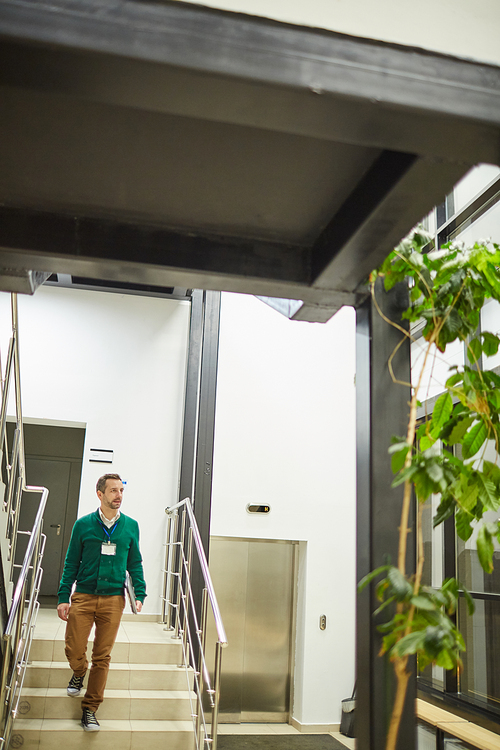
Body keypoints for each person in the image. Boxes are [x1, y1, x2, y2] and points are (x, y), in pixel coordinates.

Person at [57, 473, 146, 732]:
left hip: (113, 600)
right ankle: (78, 671)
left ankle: (90, 709)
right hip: (83, 596)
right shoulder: (83, 525)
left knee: (102, 656)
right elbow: (71, 562)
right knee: (74, 649)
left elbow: (135, 563)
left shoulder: (131, 526)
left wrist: (139, 593)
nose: (118, 495)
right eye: (113, 491)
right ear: (100, 494)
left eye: (121, 490)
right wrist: (64, 596)